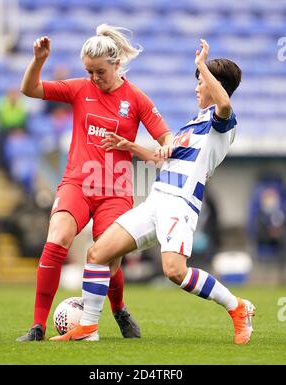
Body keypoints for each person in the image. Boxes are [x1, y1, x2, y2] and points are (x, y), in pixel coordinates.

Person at [50, 39, 256, 345]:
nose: (197, 88)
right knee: (98, 252)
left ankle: (237, 307)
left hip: (179, 204)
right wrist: (130, 146)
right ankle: (88, 328)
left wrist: (201, 65)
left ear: (215, 85)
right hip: (156, 200)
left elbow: (224, 104)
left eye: (200, 82)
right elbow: (164, 158)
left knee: (174, 271)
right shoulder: (194, 124)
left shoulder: (222, 122)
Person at [16, 24, 172, 342]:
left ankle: (119, 311)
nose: (94, 78)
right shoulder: (78, 89)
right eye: (89, 71)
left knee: (105, 255)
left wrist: (167, 144)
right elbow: (30, 90)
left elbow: (165, 136)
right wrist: (39, 60)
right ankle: (37, 327)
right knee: (57, 238)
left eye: (99, 71)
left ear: (115, 65)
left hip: (115, 191)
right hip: (77, 183)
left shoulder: (137, 99)